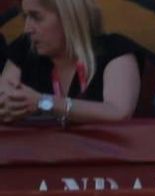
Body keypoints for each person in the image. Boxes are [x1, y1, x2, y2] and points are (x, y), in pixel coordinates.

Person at [0, 0, 139, 126]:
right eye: (26, 17)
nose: (27, 29)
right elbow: (4, 99)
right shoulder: (24, 49)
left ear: (69, 17)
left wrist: (44, 102)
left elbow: (119, 112)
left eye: (37, 17)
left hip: (102, 153)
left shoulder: (113, 49)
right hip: (39, 152)